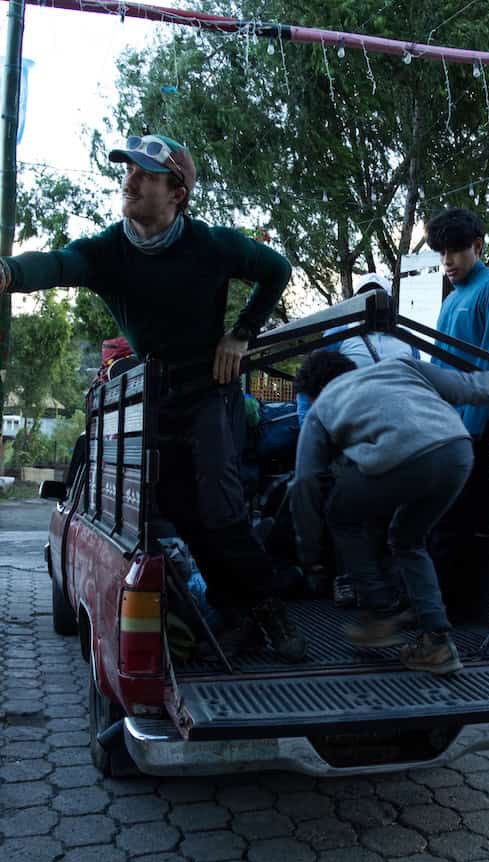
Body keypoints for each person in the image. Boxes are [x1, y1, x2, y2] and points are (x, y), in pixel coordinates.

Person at [0, 133, 306, 661]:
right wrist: (8, 273)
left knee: (220, 509)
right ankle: (237, 614)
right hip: (157, 400)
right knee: (182, 514)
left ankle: (269, 611)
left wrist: (241, 333)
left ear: (177, 192)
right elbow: (54, 263)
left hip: (212, 394)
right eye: (128, 171)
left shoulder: (211, 245)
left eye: (146, 174)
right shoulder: (106, 253)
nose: (131, 181)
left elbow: (277, 269)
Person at [290, 350, 489, 673]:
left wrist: (310, 556)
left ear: (311, 393)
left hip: (403, 457)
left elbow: (304, 482)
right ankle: (437, 642)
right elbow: (472, 386)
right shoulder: (401, 366)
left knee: (340, 514)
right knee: (407, 538)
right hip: (456, 451)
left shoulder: (322, 406)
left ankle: (379, 613)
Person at [425, 208, 489, 437]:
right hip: (440, 427)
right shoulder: (449, 300)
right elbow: (437, 365)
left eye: (456, 250)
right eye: (442, 252)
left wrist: (468, 435)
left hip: (471, 433)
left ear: (477, 246)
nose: (447, 260)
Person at [296, 273, 420, 426]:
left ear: (389, 302)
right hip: (353, 429)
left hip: (401, 427)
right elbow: (308, 382)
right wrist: (306, 429)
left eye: (378, 297)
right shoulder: (339, 335)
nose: (373, 304)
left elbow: (419, 384)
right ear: (356, 301)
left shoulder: (406, 338)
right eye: (366, 297)